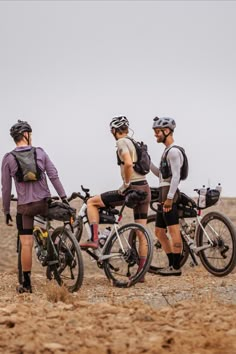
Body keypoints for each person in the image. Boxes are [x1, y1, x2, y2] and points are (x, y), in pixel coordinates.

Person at [80, 116, 151, 281]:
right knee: (142, 233)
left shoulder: (121, 143)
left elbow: (127, 163)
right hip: (144, 188)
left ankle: (95, 239)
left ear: (114, 130)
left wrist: (125, 184)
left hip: (132, 188)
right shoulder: (134, 142)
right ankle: (141, 274)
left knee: (91, 202)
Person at [1, 120, 68, 293]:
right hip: (43, 203)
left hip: (25, 208)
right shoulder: (40, 152)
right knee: (48, 222)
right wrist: (64, 197)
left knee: (26, 243)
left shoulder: (8, 158)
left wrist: (6, 210)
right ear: (26, 134)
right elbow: (53, 175)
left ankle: (27, 284)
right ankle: (55, 248)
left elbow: (6, 188)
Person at [151, 116, 186, 276]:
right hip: (163, 193)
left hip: (169, 195)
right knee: (159, 232)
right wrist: (148, 162)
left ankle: (176, 267)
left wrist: (170, 198)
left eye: (157, 132)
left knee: (173, 231)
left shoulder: (173, 151)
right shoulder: (166, 151)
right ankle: (172, 264)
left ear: (166, 131)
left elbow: (176, 176)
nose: (155, 135)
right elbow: (161, 176)